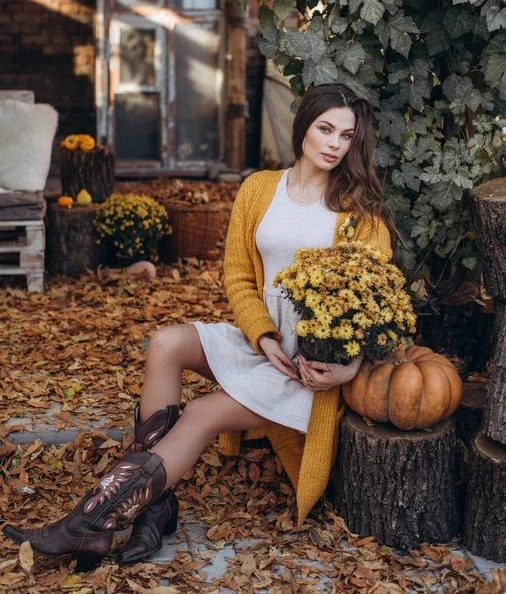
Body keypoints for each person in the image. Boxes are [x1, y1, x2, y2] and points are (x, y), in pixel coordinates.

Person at [3, 83, 396, 565]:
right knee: (167, 342)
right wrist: (262, 335)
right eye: (325, 129)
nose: (335, 144)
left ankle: (88, 524)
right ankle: (153, 509)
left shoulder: (359, 212)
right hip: (265, 341)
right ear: (303, 128)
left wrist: (349, 368)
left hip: (306, 369)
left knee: (202, 414)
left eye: (347, 135)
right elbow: (236, 275)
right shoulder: (259, 188)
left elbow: (377, 301)